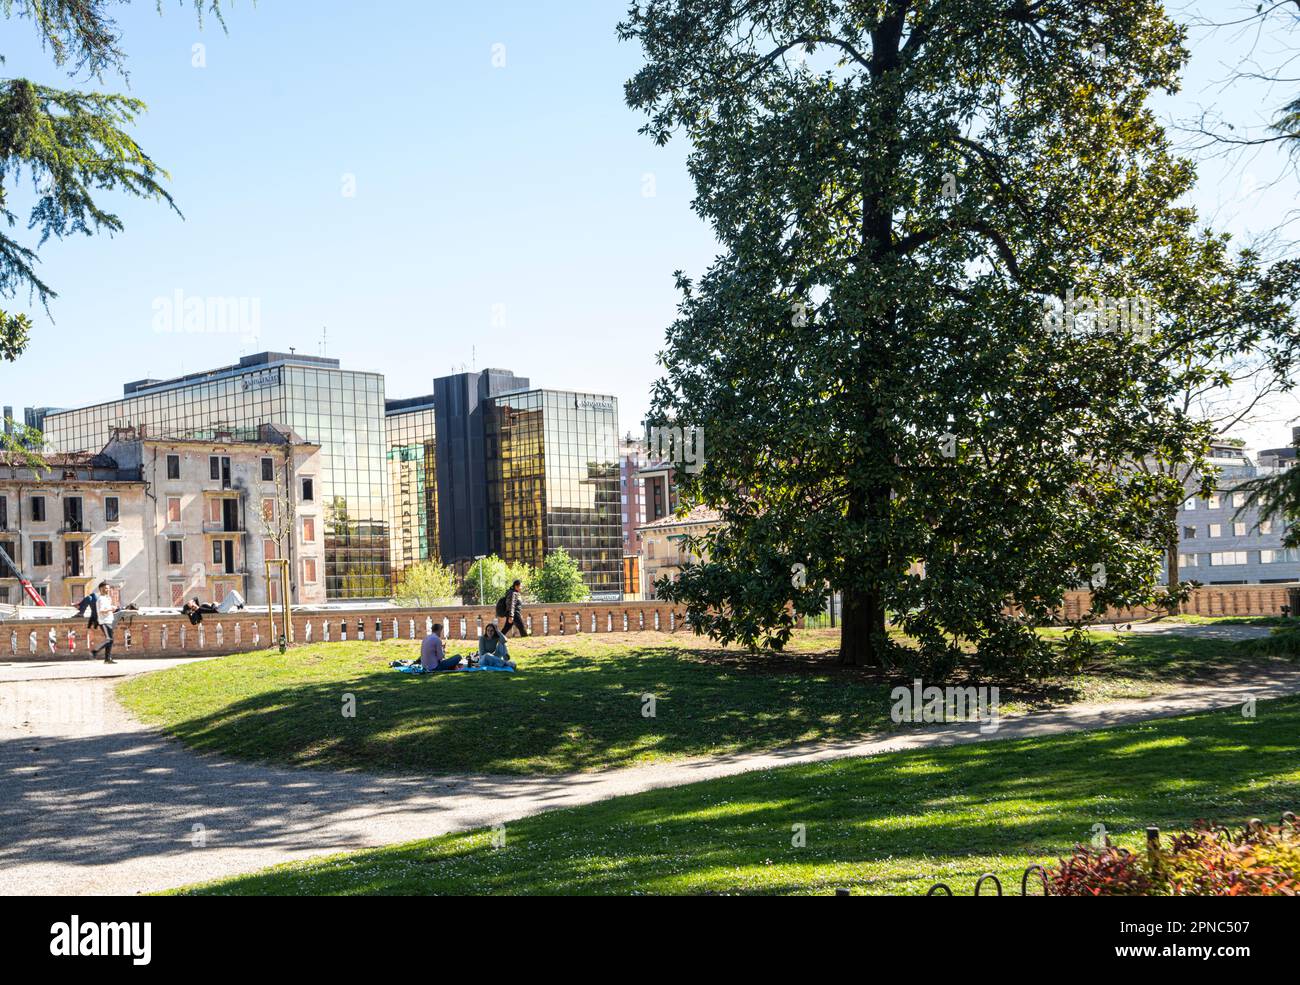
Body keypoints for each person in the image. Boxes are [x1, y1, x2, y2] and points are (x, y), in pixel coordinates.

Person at [90, 582, 117, 664]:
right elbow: (102, 610)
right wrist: (111, 608)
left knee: (110, 640)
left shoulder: (106, 598)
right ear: (101, 589)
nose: (108, 589)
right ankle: (95, 651)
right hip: (104, 622)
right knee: (109, 640)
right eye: (106, 588)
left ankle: (107, 659)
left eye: (108, 588)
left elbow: (107, 608)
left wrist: (111, 607)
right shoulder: (101, 599)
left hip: (108, 621)